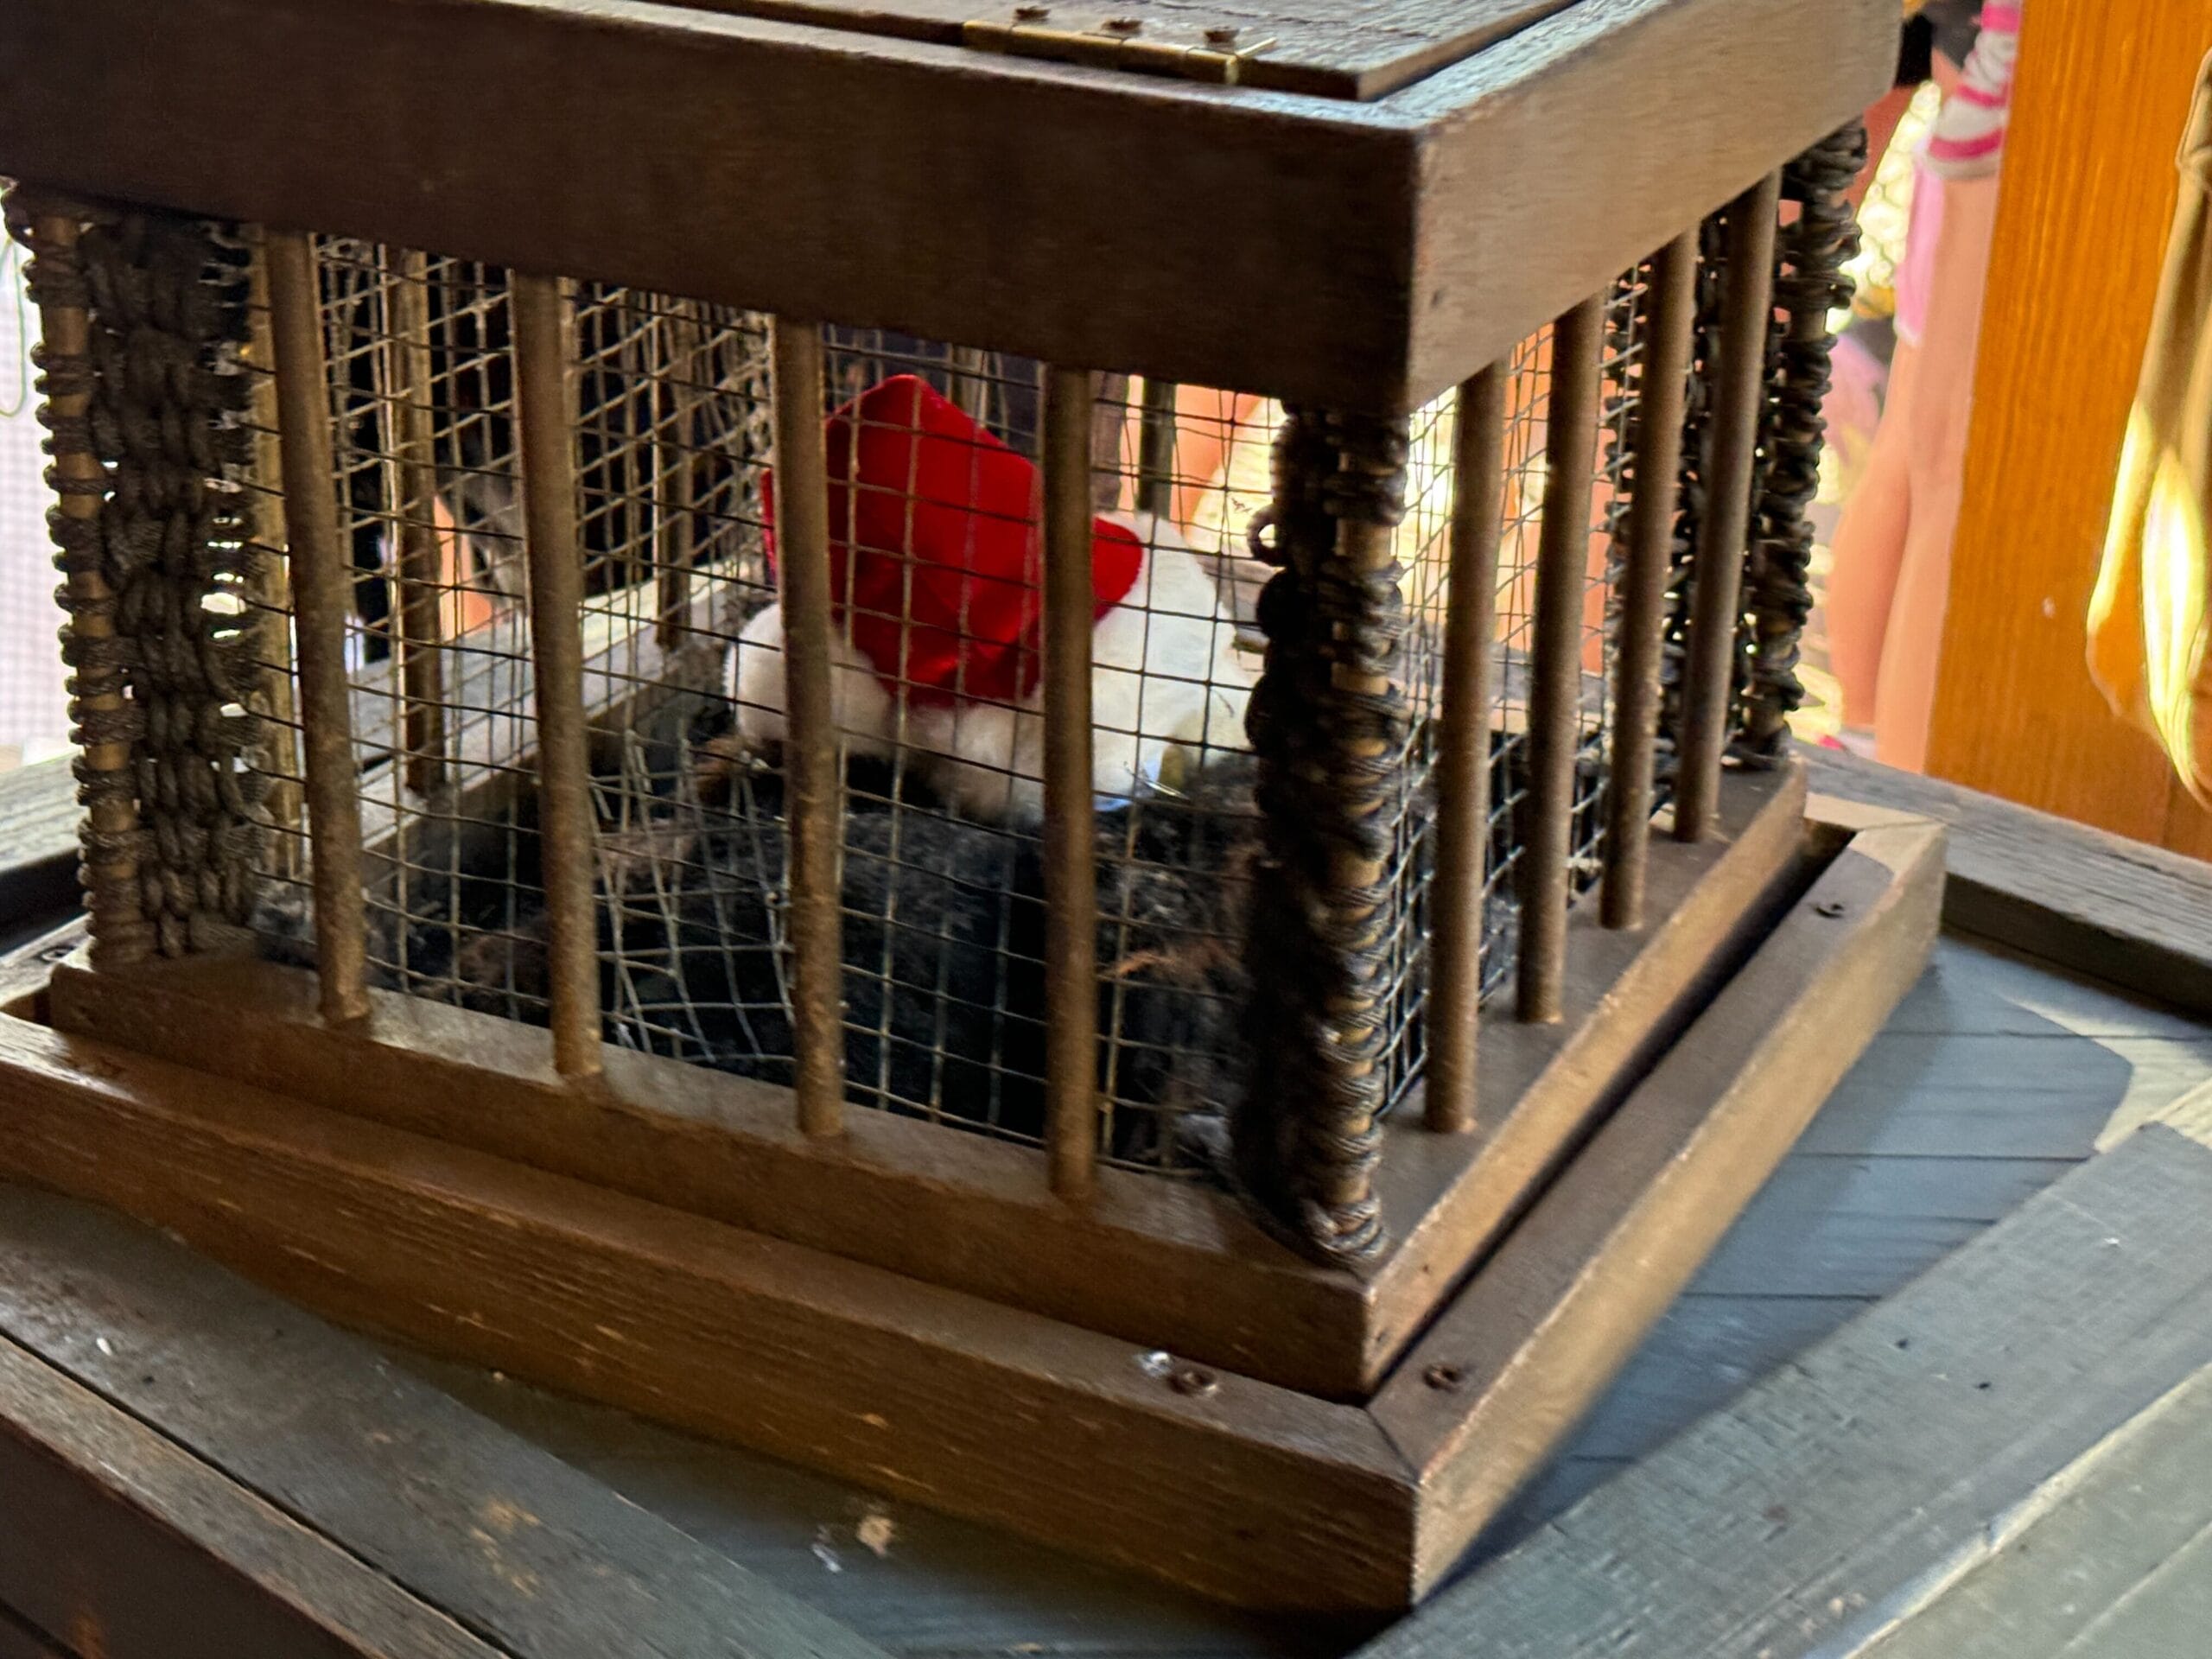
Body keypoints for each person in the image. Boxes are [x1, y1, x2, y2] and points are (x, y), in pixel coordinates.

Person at [1825, 3, 2023, 768]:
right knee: (1937, 477)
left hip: (1963, 152)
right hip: (1985, 172)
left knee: (1910, 461)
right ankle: (1888, 746)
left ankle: (1867, 730)